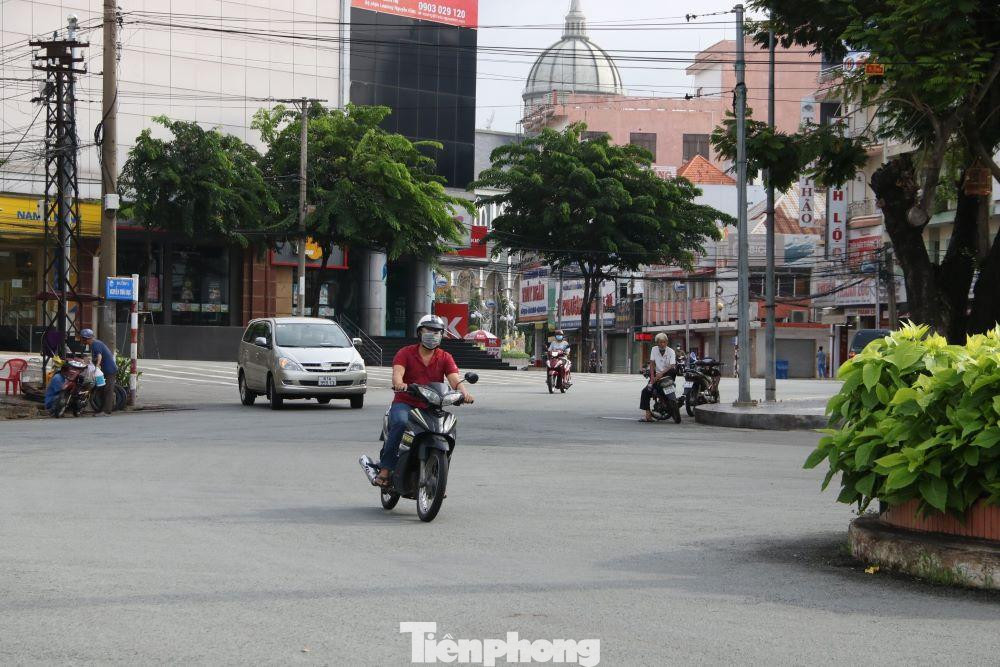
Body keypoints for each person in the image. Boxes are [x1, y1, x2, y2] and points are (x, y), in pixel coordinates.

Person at [374, 315, 474, 488]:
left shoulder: (445, 357)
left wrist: (464, 393)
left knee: (448, 431)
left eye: (437, 332)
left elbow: (454, 380)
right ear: (420, 333)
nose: (433, 334)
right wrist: (399, 383)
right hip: (405, 402)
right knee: (400, 423)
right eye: (429, 330)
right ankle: (385, 468)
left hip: (432, 405)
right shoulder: (405, 352)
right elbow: (398, 372)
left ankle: (438, 477)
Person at [78, 328, 117, 415]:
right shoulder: (93, 345)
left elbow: (99, 356)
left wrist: (98, 365)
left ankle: (106, 411)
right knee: (101, 389)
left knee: (107, 390)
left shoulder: (95, 344)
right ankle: (102, 408)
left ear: (89, 338)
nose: (83, 340)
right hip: (103, 371)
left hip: (109, 370)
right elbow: (94, 357)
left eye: (84, 338)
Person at [640, 333, 677, 422]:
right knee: (646, 391)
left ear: (667, 342)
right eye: (660, 342)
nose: (662, 344)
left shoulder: (671, 351)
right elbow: (652, 363)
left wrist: (661, 374)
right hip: (656, 375)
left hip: (668, 374)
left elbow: (672, 365)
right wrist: (652, 377)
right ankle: (648, 415)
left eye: (664, 342)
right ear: (657, 343)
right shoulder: (654, 349)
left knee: (673, 371)